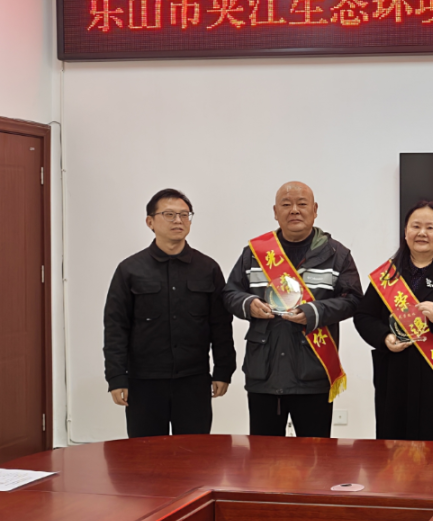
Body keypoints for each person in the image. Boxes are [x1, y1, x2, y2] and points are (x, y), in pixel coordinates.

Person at [223, 181, 362, 438]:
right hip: (264, 373)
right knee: (264, 456)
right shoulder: (254, 253)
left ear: (315, 210)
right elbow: (230, 293)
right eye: (286, 204)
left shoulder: (336, 254)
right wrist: (248, 304)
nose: (294, 210)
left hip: (313, 371)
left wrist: (313, 312)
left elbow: (353, 300)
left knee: (315, 455)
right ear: (275, 212)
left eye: (302, 204)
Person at [103, 188, 235, 437]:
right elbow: (116, 327)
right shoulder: (130, 270)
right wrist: (117, 377)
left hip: (194, 380)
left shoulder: (207, 268)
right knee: (146, 454)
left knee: (195, 453)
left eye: (185, 215)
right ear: (150, 222)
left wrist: (223, 370)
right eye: (169, 214)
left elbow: (220, 324)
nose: (178, 221)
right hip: (144, 382)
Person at [354, 200, 433, 441]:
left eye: (430, 228)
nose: (422, 233)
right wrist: (385, 337)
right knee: (393, 449)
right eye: (416, 226)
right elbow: (363, 316)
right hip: (395, 374)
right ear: (405, 232)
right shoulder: (387, 275)